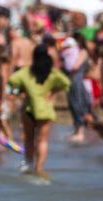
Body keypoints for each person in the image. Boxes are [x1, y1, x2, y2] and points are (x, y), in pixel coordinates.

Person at [8, 44, 70, 175]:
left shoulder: (27, 72)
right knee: (42, 140)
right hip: (45, 109)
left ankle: (28, 163)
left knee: (29, 138)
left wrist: (21, 90)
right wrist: (53, 92)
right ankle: (40, 168)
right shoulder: (52, 73)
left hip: (29, 108)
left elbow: (12, 80)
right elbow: (66, 83)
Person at [61, 35, 92, 142]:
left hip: (77, 81)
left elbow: (75, 66)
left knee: (78, 104)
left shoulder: (82, 52)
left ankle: (80, 132)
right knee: (73, 105)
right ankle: (76, 130)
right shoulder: (74, 52)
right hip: (73, 81)